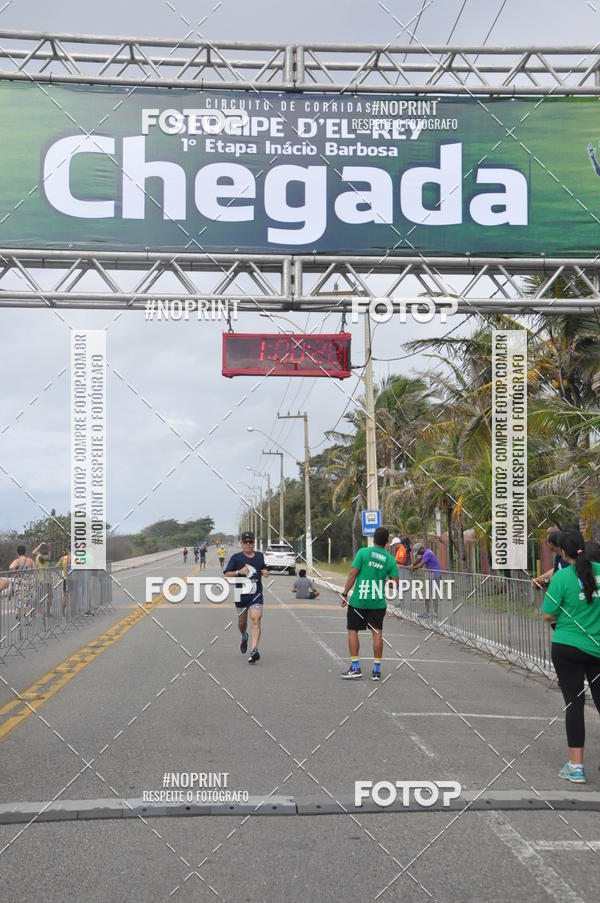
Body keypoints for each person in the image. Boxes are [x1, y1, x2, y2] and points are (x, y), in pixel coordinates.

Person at [541, 528, 600, 784]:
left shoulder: (562, 577)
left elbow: (547, 614)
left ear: (563, 553)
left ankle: (576, 767)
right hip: (597, 648)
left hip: (567, 647)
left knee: (574, 705)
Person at [339, 526, 399, 681]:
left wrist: (345, 593)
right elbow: (395, 583)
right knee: (377, 632)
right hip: (377, 602)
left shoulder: (363, 553)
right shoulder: (390, 559)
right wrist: (384, 581)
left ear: (373, 539)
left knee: (353, 630)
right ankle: (376, 670)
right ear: (386, 542)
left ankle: (355, 668)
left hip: (359, 601)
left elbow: (352, 575)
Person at [224, 531, 269, 664]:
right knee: (242, 623)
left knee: (256, 619)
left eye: (250, 542)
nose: (248, 544)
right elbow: (226, 574)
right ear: (241, 543)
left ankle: (254, 649)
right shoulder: (236, 558)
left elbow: (263, 568)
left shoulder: (260, 556)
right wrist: (239, 572)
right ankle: (244, 636)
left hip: (256, 594)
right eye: (245, 542)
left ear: (254, 543)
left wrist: (265, 572)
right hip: (241, 594)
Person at [411, 542, 442, 618]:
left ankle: (429, 613)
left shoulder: (427, 553)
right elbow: (420, 559)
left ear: (421, 549)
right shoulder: (427, 551)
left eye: (418, 552)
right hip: (435, 573)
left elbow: (421, 564)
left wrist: (413, 568)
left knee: (429, 594)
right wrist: (413, 565)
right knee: (433, 594)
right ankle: (434, 613)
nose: (418, 554)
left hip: (434, 574)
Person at [9, 545, 35, 621]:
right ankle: (28, 618)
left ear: (18, 552)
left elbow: (10, 567)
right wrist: (27, 568)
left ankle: (17, 611)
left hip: (19, 582)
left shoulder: (17, 561)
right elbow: (34, 569)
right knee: (27, 600)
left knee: (18, 598)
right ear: (25, 552)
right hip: (28, 582)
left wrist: (17, 570)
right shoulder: (30, 560)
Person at [56, 549, 71, 618]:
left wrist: (60, 576)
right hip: (74, 579)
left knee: (64, 596)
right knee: (74, 597)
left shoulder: (63, 558)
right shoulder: (75, 558)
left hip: (66, 579)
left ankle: (63, 615)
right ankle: (73, 613)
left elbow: (56, 567)